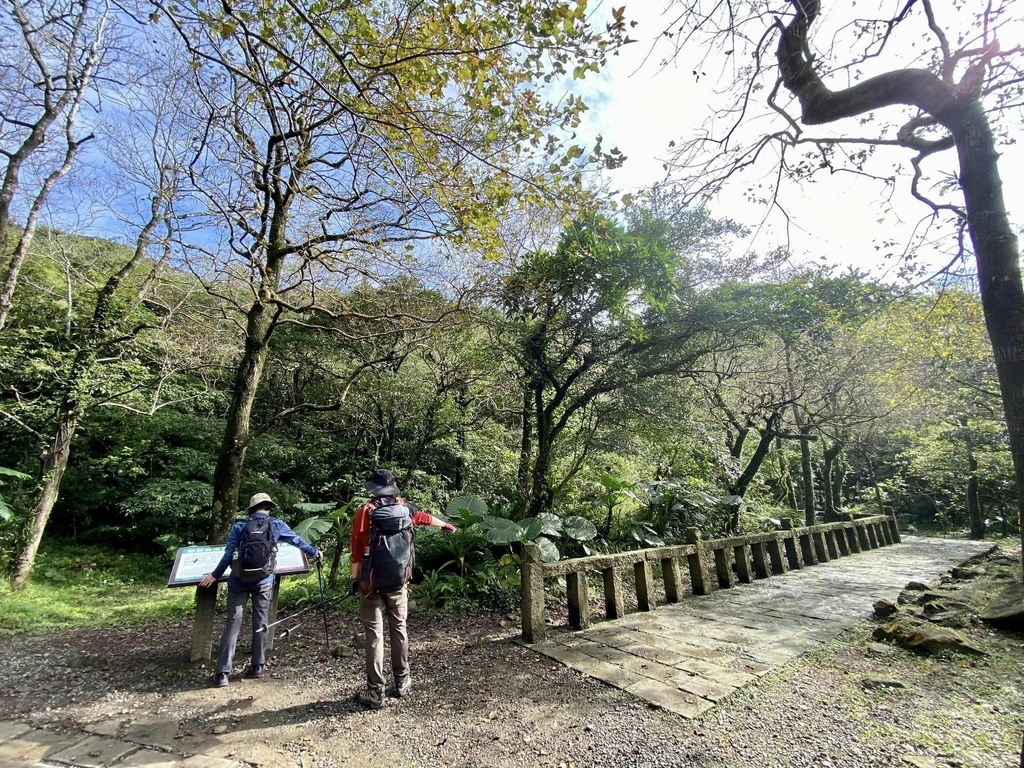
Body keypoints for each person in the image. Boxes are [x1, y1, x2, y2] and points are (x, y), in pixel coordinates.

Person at [350, 468, 456, 709]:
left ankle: (376, 691)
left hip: (371, 584)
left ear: (373, 490)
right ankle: (403, 681)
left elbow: (357, 548)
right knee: (399, 629)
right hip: (399, 582)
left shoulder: (366, 511)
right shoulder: (405, 507)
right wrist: (446, 525)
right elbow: (425, 518)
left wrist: (355, 580)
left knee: (374, 635)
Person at [199, 492, 321, 688]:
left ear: (252, 509)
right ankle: (258, 666)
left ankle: (222, 673)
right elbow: (298, 541)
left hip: (238, 582)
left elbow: (228, 554)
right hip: (264, 581)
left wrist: (215, 575)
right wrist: (315, 553)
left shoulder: (240, 526)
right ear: (269, 507)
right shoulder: (277, 525)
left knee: (232, 624)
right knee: (261, 621)